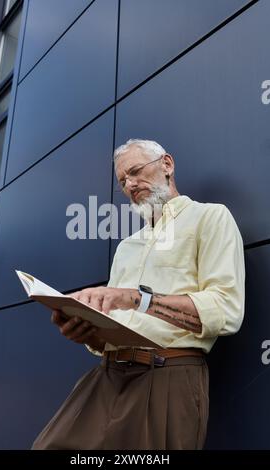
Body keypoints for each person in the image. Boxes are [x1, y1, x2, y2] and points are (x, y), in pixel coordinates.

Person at [32, 139, 245, 450]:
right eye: (123, 180)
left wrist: (137, 298)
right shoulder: (126, 246)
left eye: (135, 171)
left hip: (169, 375)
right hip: (106, 374)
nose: (130, 184)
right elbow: (114, 323)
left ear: (167, 165)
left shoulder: (210, 218)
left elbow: (225, 310)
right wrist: (88, 333)